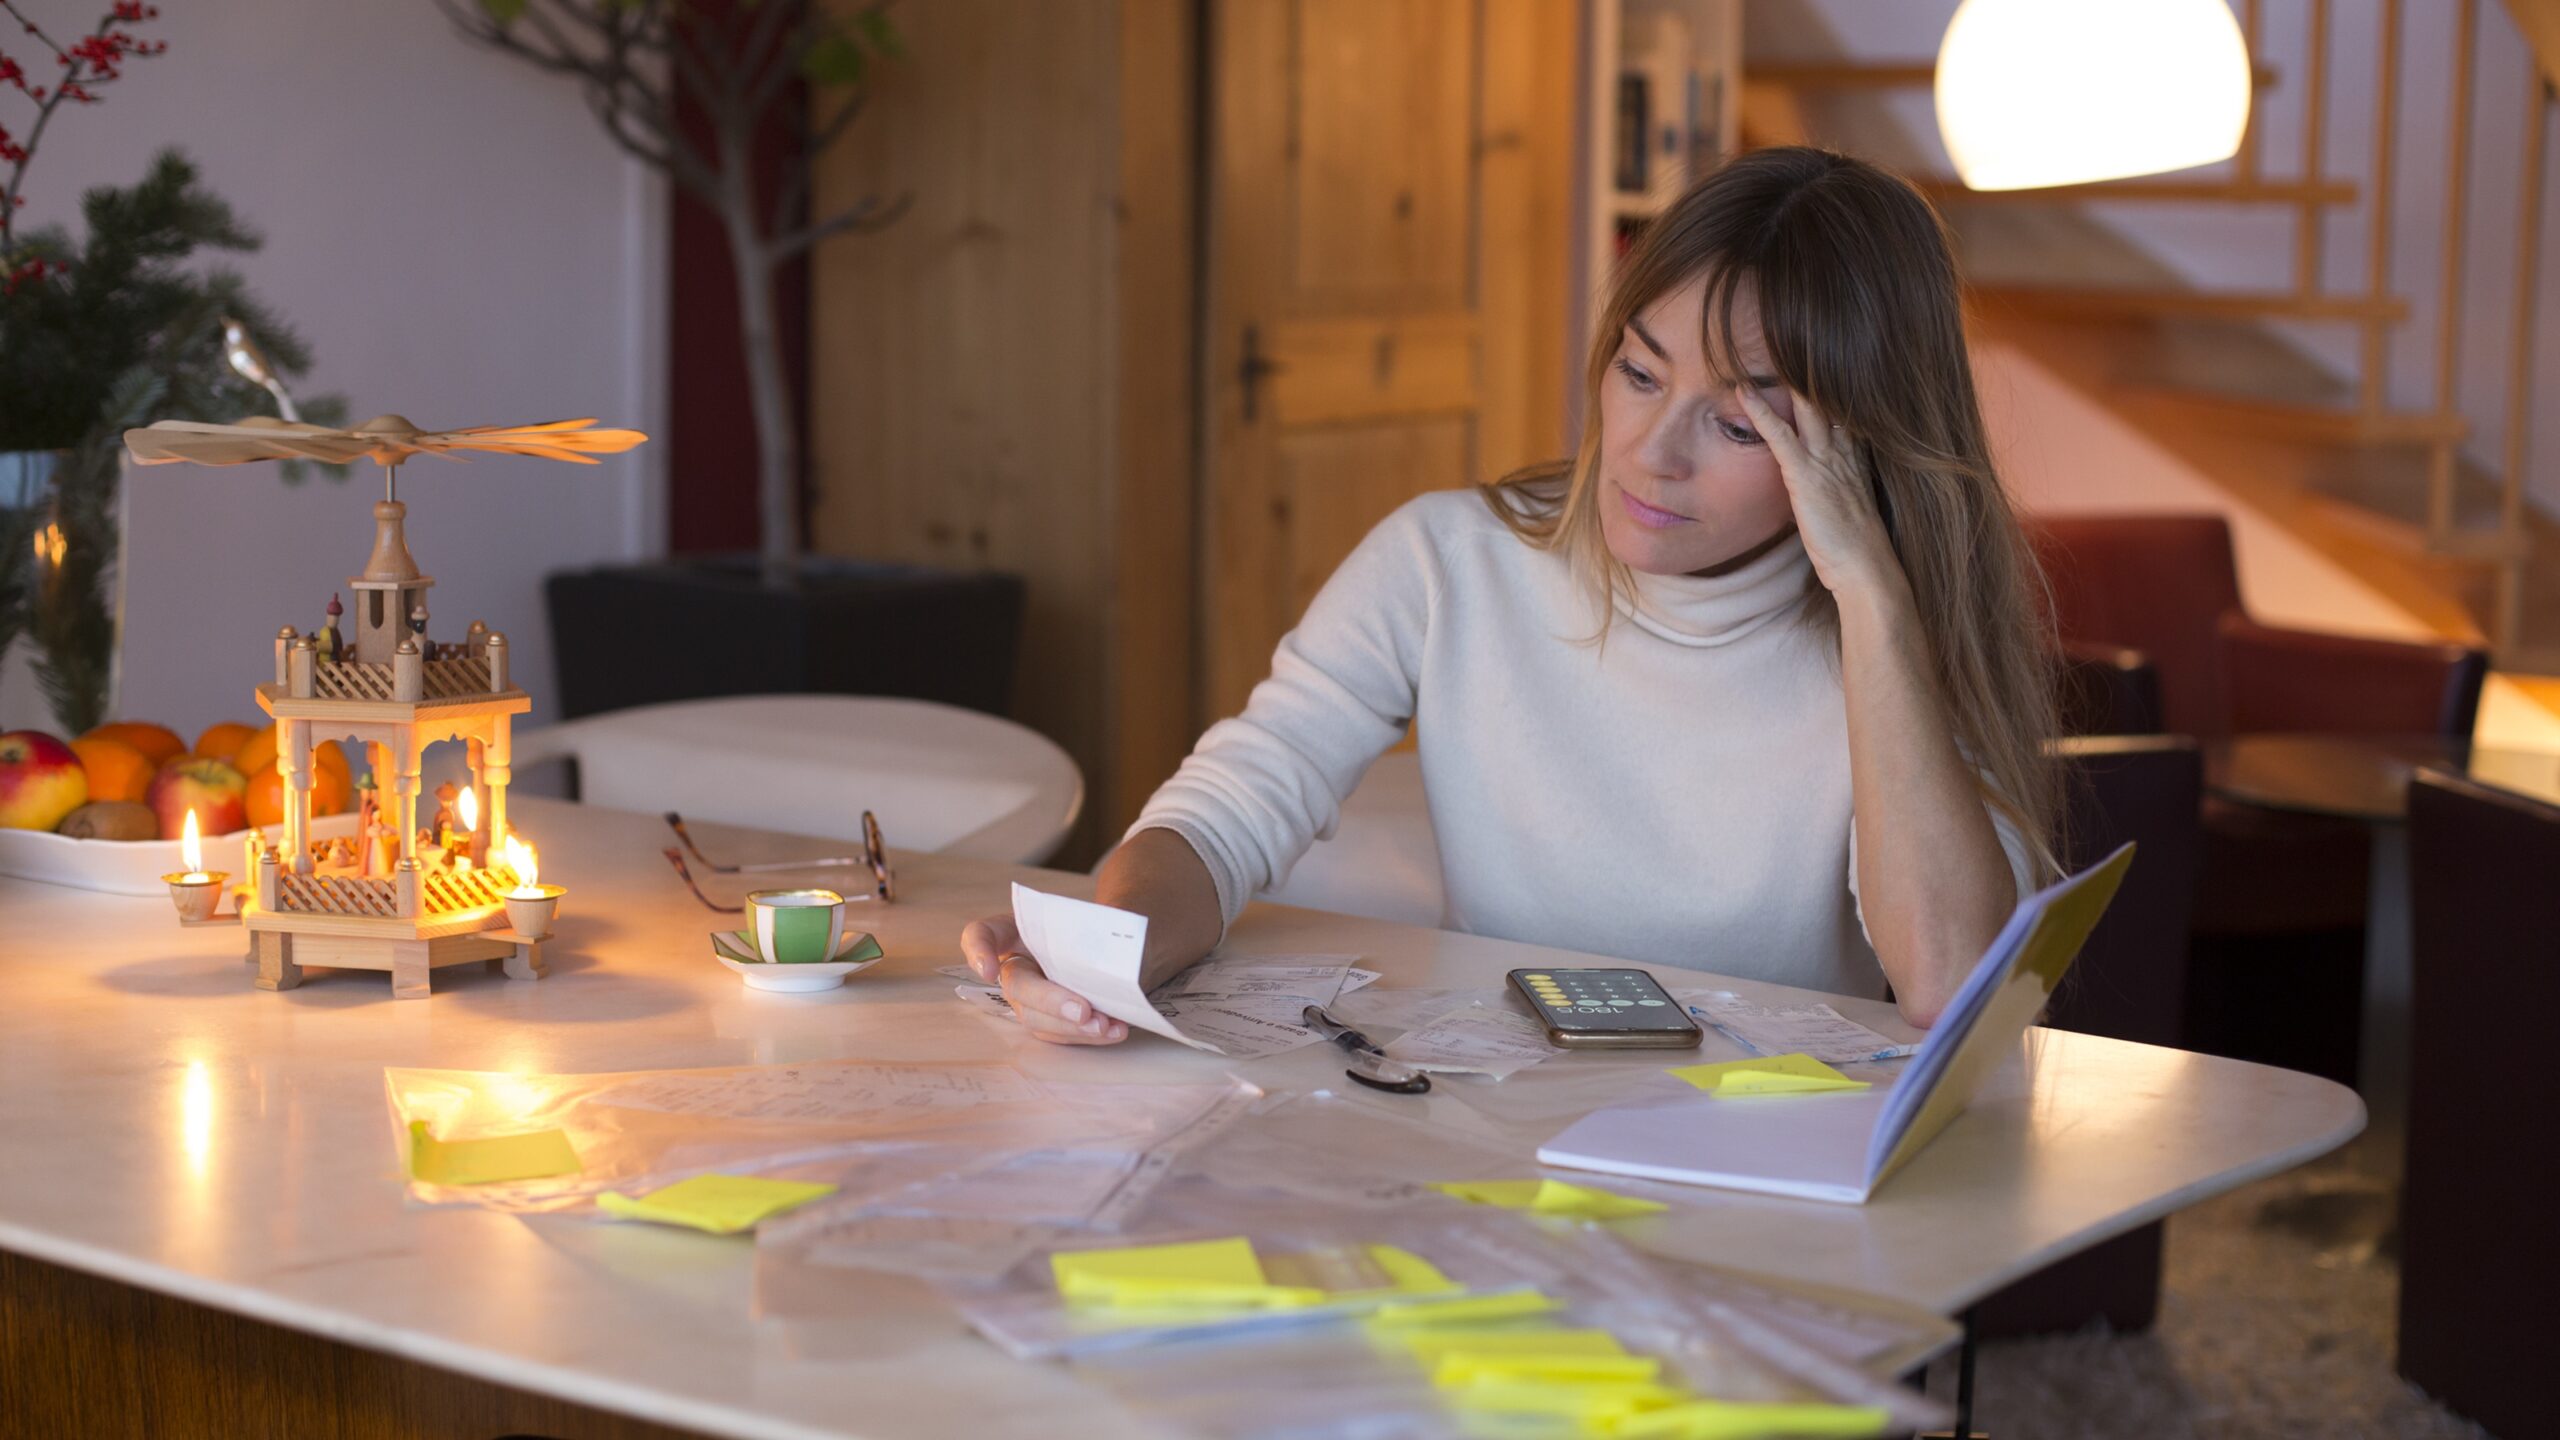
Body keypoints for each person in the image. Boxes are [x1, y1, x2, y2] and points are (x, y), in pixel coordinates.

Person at [962, 145, 2061, 1044]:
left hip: (1778, 1158)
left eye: (1738, 424)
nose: (1650, 453)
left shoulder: (1894, 644)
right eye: (1637, 374)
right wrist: (1094, 954)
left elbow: (1953, 987)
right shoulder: (1448, 563)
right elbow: (1228, 810)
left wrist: (1869, 597)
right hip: (1494, 1121)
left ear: (1858, 448)